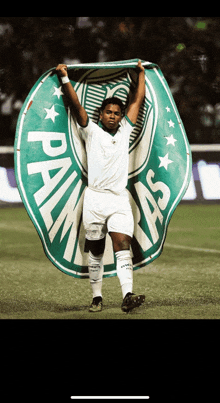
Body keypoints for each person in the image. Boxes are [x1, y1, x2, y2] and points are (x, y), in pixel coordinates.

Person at [56, 61, 146, 313]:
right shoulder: (91, 131)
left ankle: (127, 294)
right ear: (101, 114)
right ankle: (97, 296)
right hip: (95, 199)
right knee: (95, 250)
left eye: (117, 113)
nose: (113, 116)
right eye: (109, 112)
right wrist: (64, 78)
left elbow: (137, 101)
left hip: (118, 199)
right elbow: (76, 105)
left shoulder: (126, 129)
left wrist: (141, 74)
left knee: (122, 245)